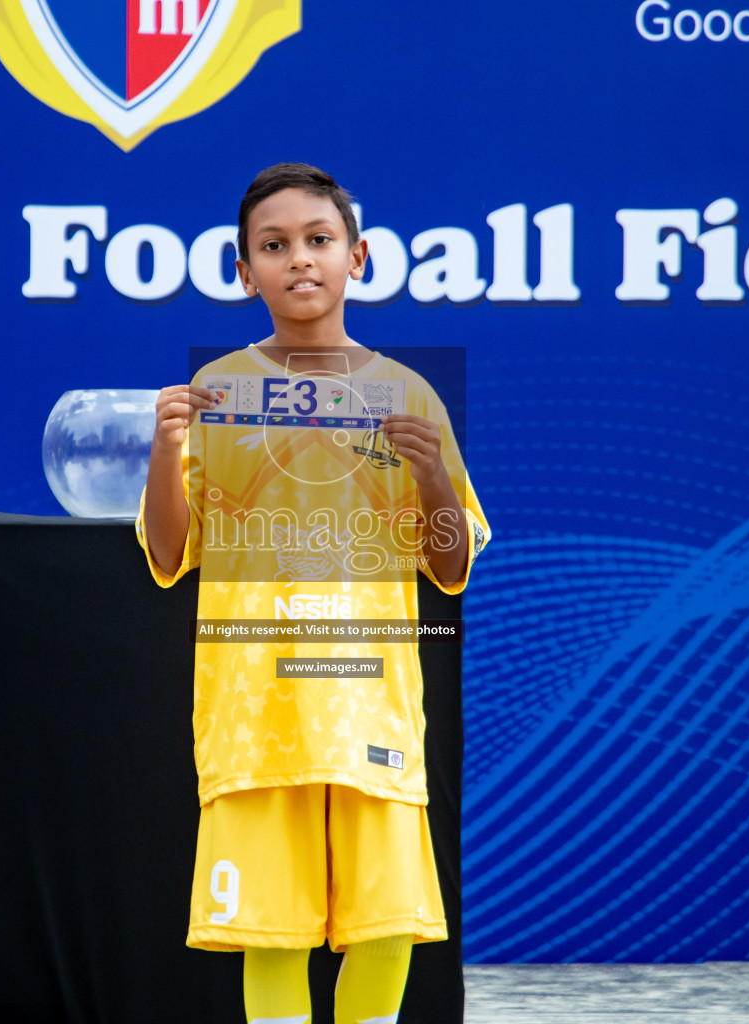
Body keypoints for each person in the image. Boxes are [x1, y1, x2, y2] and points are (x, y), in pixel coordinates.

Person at [135, 163, 491, 1024]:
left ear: (357, 257)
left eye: (319, 240)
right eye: (274, 245)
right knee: (271, 931)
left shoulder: (409, 394)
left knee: (384, 926)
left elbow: (449, 569)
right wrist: (163, 449)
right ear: (241, 268)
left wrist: (435, 475)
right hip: (255, 718)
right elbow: (167, 552)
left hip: (370, 710)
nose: (300, 260)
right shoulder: (213, 394)